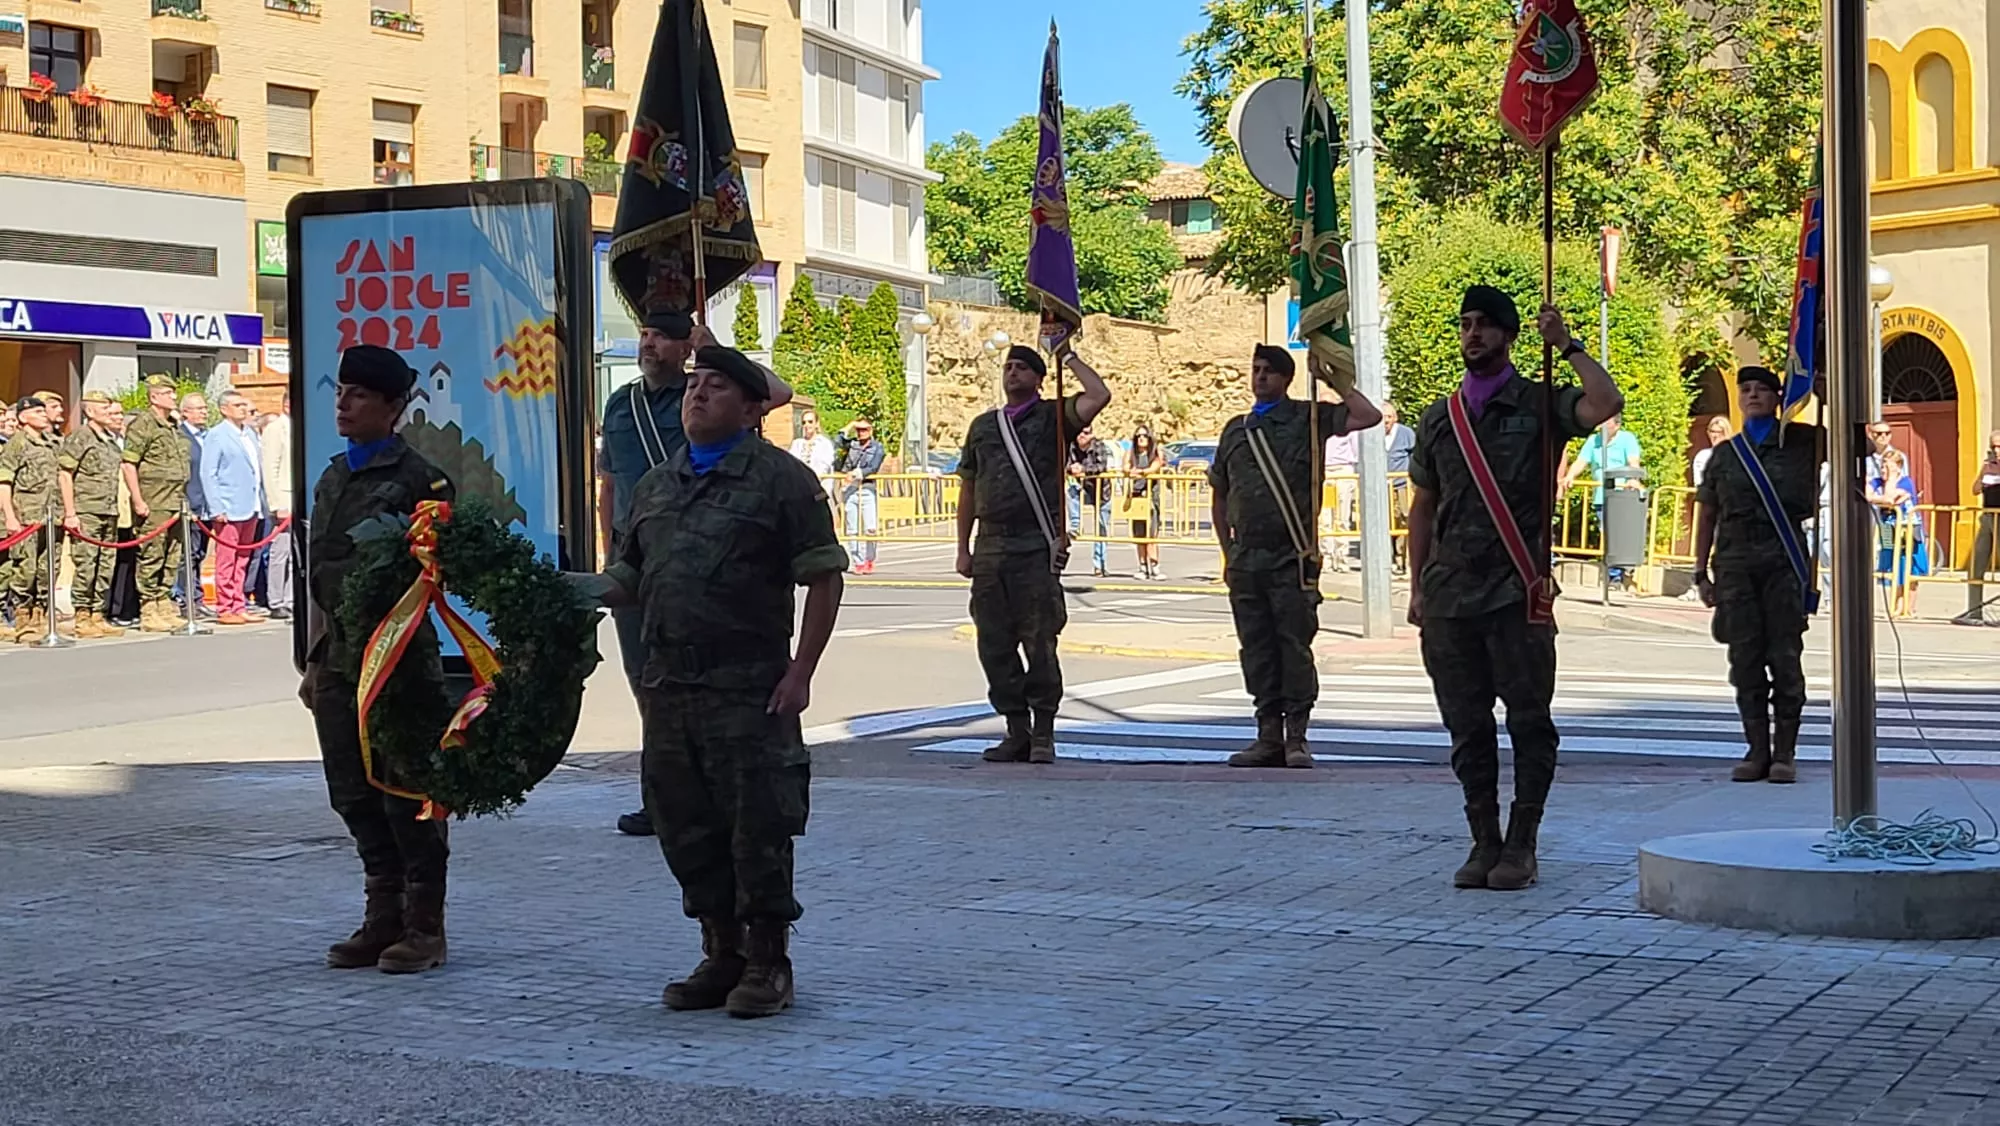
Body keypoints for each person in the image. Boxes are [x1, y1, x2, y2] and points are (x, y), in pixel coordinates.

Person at [571, 345, 846, 1019]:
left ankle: (766, 960)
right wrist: (554, 592)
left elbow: (824, 574)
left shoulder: (781, 481)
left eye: (716, 387)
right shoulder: (658, 486)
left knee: (757, 824)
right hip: (670, 688)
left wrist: (802, 671)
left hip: (748, 687)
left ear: (753, 409)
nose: (697, 396)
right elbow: (627, 581)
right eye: (694, 385)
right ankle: (719, 950)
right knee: (683, 824)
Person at [1406, 286, 1622, 892]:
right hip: (1450, 595)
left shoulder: (1540, 404)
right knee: (1466, 727)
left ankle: (1522, 844)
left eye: (1485, 325)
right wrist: (1417, 585)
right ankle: (1483, 841)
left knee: (1528, 723)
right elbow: (1424, 506)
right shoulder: (1440, 417)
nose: (1473, 334)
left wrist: (1569, 344)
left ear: (1509, 337)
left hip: (1514, 592)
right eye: (1465, 324)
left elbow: (1605, 403)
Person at [597, 311, 793, 838]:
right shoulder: (620, 405)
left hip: (707, 558)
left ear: (685, 345)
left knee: (707, 686)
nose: (648, 344)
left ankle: (709, 797)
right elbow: (611, 483)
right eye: (644, 334)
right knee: (648, 683)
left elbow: (777, 392)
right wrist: (608, 550)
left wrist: (716, 348)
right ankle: (658, 798)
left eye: (660, 336)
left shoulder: (709, 391)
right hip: (639, 560)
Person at [303, 345, 457, 975]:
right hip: (340, 661)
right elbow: (320, 572)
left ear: (394, 408)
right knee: (353, 793)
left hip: (397, 662)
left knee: (406, 793)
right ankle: (381, 914)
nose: (344, 403)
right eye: (341, 392)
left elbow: (437, 572)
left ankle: (425, 925)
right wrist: (315, 662)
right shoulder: (333, 476)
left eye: (361, 395)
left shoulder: (422, 480)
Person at [1212, 344, 1382, 769]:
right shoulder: (1237, 429)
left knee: (1293, 646)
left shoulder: (1309, 418)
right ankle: (1267, 734)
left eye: (1269, 371)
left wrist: (1333, 380)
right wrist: (1227, 552)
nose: (1261, 377)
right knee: (1256, 648)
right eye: (1255, 370)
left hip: (1291, 557)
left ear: (1287, 379)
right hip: (1247, 558)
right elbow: (1220, 492)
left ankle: (1297, 737)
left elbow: (1368, 416)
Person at [956, 344, 1112, 764]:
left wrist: (1069, 357)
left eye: (1022, 367)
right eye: (1008, 367)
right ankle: (1016, 729)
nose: (1012, 373)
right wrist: (962, 548)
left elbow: (1098, 395)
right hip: (991, 546)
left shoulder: (1053, 417)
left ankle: (1043, 730)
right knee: (993, 642)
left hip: (1034, 546)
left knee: (1039, 640)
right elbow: (969, 487)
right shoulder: (983, 426)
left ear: (1040, 378)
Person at [1692, 367, 1824, 785]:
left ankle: (1785, 752)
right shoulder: (1726, 454)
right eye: (1745, 390)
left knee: (1784, 656)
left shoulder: (1803, 441)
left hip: (1783, 560)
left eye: (1761, 390)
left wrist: (1827, 395)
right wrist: (1700, 571)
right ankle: (1757, 750)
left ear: (1777, 397)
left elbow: (1853, 442)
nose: (1752, 396)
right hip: (1734, 563)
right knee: (1744, 659)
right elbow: (1708, 513)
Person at [122, 376, 193, 632]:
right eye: (168, 393)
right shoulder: (143, 425)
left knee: (171, 555)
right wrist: (138, 499)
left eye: (173, 393)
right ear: (154, 397)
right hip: (154, 500)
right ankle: (149, 606)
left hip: (175, 499)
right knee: (151, 554)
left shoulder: (173, 425)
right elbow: (129, 464)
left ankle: (163, 602)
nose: (173, 397)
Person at [56, 390, 126, 639]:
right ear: (89, 411)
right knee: (86, 564)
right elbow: (65, 474)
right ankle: (82, 614)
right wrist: (70, 511)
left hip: (109, 509)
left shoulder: (109, 439)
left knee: (105, 564)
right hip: (87, 509)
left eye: (110, 408)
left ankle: (98, 613)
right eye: (103, 408)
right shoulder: (81, 436)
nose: (109, 412)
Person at [200, 390, 267, 627]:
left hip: (251, 504)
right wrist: (216, 506)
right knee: (226, 559)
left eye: (244, 405)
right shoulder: (217, 435)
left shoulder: (249, 433)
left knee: (243, 558)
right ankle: (225, 606)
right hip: (229, 506)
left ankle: (239, 603)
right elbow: (208, 473)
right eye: (237, 405)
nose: (243, 409)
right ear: (224, 409)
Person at [0, 395, 62, 643]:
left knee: (48, 568)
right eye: (37, 412)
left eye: (42, 411)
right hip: (27, 517)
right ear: (23, 417)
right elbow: (5, 482)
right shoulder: (17, 443)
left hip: (50, 517)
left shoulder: (51, 443)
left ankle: (42, 615)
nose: (43, 415)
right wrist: (10, 517)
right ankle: (23, 617)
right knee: (25, 569)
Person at [1868, 448, 1929, 616]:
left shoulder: (1906, 482)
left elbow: (1890, 499)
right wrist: (1882, 498)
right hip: (1887, 527)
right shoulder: (1876, 481)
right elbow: (1870, 496)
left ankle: (1909, 607)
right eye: (1882, 467)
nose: (1884, 471)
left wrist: (1892, 480)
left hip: (1908, 527)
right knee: (1892, 564)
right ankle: (1896, 604)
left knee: (1910, 565)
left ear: (1898, 468)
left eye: (1888, 467)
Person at [174, 392, 212, 621]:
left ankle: (197, 597)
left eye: (205, 408)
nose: (203, 412)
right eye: (198, 408)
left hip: (207, 504)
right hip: (190, 503)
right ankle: (187, 598)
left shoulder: (208, 436)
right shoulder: (181, 437)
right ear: (185, 412)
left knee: (200, 554)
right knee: (187, 554)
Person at [1957, 431, 2000, 626]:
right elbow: (1974, 489)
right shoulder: (1988, 466)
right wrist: (1984, 475)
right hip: (1987, 517)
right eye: (1994, 447)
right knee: (1976, 564)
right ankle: (1974, 611)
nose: (1997, 450)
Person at [261, 393, 296, 622]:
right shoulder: (276, 428)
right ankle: (276, 600)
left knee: (295, 554)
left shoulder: (300, 427)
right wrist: (276, 503)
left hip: (297, 497)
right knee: (280, 552)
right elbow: (270, 467)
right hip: (283, 498)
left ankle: (292, 598)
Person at [839, 418, 885, 575]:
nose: (860, 433)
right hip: (850, 488)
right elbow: (837, 440)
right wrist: (850, 425)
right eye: (858, 430)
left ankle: (869, 559)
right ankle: (858, 561)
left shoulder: (877, 447)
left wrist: (856, 474)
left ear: (871, 430)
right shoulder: (852, 444)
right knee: (852, 528)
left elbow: (873, 466)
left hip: (867, 487)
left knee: (870, 527)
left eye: (864, 429)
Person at [1067, 425, 1113, 577]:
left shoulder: (1099, 446)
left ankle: (1099, 565)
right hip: (1083, 489)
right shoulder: (1072, 446)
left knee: (1100, 529)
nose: (1082, 435)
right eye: (1079, 432)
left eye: (1086, 433)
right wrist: (1071, 469)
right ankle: (1075, 524)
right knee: (1071, 489)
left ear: (1092, 435)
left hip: (1101, 491)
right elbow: (1064, 464)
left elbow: (1102, 466)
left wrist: (1083, 469)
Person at [1382, 402, 1416, 572]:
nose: (1385, 421)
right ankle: (1388, 560)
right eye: (1382, 417)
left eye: (1388, 417)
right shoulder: (1374, 434)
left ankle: (1403, 559)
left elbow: (1414, 455)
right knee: (1386, 522)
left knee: (1405, 520)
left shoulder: (1406, 433)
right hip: (1382, 486)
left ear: (1395, 418)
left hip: (1402, 484)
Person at [1127, 425, 1164, 580]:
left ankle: (1155, 565)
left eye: (1144, 436)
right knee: (1139, 533)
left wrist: (1141, 472)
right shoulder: (1131, 454)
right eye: (1138, 436)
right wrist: (1129, 471)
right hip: (1135, 497)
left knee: (1152, 533)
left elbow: (1156, 466)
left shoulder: (1155, 453)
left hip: (1150, 496)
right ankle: (1142, 566)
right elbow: (1125, 466)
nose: (1141, 438)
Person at [1322, 426, 1359, 570]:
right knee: (1324, 518)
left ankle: (1341, 555)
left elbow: (1356, 452)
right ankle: (1326, 555)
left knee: (1342, 516)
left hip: (1343, 469)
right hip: (1324, 469)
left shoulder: (1349, 426)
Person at [788, 410, 837, 477]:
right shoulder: (797, 444)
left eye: (810, 422)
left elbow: (825, 465)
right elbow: (791, 463)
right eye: (804, 422)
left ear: (816, 424)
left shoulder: (825, 443)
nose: (807, 425)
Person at [1690, 415, 1733, 488]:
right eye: (1713, 431)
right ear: (1708, 433)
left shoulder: (1737, 455)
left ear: (1727, 433)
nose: (1715, 435)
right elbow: (1699, 483)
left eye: (1720, 432)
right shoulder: (1703, 456)